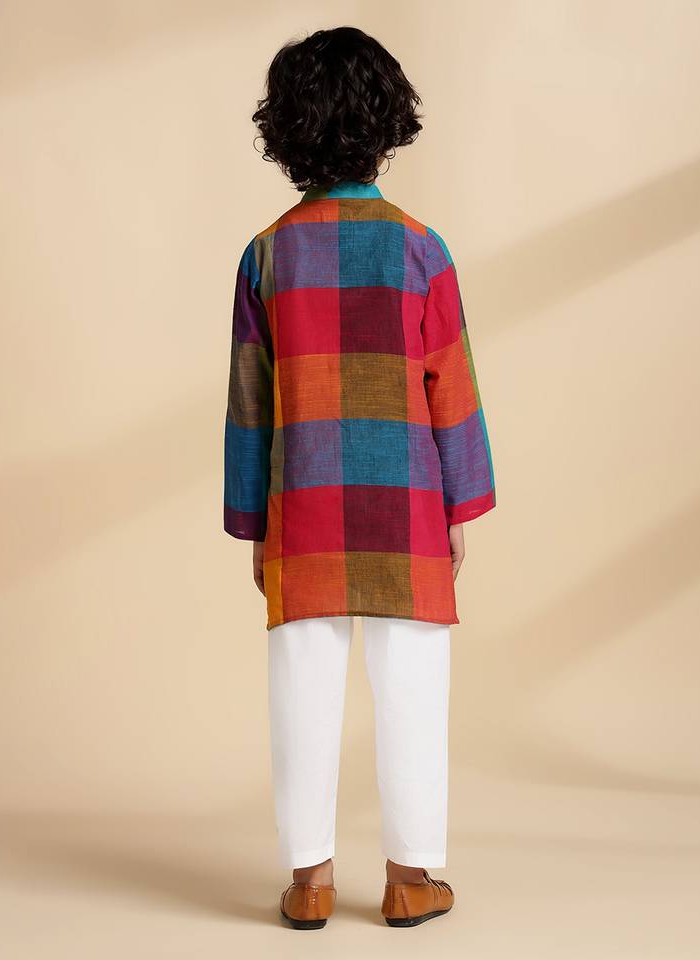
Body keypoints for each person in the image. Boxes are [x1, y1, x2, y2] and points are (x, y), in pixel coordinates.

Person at [223, 25, 495, 929]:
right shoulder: (423, 249)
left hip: (302, 506)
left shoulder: (266, 254)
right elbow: (451, 386)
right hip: (407, 503)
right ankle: (410, 879)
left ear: (287, 130)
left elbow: (250, 404)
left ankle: (310, 881)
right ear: (387, 123)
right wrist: (458, 508)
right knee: (414, 686)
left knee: (300, 687)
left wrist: (253, 522)